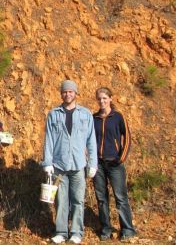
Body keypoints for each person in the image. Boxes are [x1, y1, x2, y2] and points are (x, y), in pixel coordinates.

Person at [42, 80, 98, 244]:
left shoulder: (85, 114)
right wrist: (47, 162)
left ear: (76, 93)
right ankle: (61, 232)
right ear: (61, 94)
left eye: (71, 92)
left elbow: (91, 141)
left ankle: (76, 233)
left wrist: (93, 163)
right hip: (59, 166)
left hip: (79, 165)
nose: (68, 94)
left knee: (78, 200)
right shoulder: (54, 114)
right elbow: (49, 140)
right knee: (61, 200)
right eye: (65, 92)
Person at [92, 87, 137, 241]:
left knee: (120, 197)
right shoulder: (94, 118)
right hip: (97, 164)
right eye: (99, 98)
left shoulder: (118, 117)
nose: (102, 101)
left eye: (105, 98)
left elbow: (128, 138)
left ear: (111, 98)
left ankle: (127, 229)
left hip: (115, 164)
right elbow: (88, 141)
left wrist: (121, 157)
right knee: (101, 198)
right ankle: (106, 229)